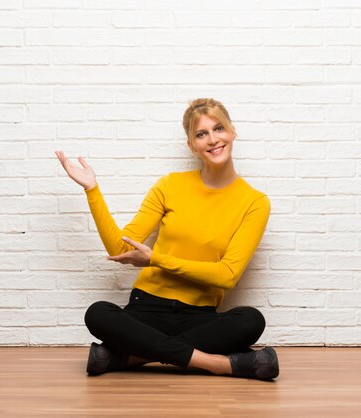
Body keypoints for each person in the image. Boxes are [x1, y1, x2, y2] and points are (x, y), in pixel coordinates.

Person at [55, 98, 279, 380]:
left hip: (199, 316)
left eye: (218, 128)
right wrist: (92, 189)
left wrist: (156, 259)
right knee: (98, 313)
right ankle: (220, 364)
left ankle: (132, 357)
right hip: (146, 308)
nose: (212, 139)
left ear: (232, 132)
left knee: (250, 320)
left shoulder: (254, 202)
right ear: (191, 145)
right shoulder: (170, 185)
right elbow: (120, 248)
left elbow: (228, 275)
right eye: (201, 134)